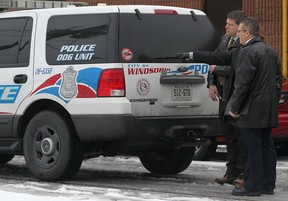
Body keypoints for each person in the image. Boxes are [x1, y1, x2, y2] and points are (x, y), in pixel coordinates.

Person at [179, 17, 282, 196]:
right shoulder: (269, 50)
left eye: (240, 32)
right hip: (267, 107)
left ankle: (252, 186)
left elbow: (243, 83)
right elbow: (278, 79)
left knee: (252, 148)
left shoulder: (248, 52)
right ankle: (267, 184)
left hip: (251, 108)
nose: (238, 36)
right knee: (266, 146)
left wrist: (234, 106)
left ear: (247, 33)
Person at [208, 10, 246, 186]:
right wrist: (212, 83)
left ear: (240, 27)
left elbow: (234, 69)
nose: (226, 27)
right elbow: (214, 60)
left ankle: (242, 172)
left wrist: (216, 70)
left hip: (236, 94)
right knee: (228, 135)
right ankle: (231, 171)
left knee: (239, 135)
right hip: (224, 93)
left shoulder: (244, 44)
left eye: (230, 24)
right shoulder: (225, 40)